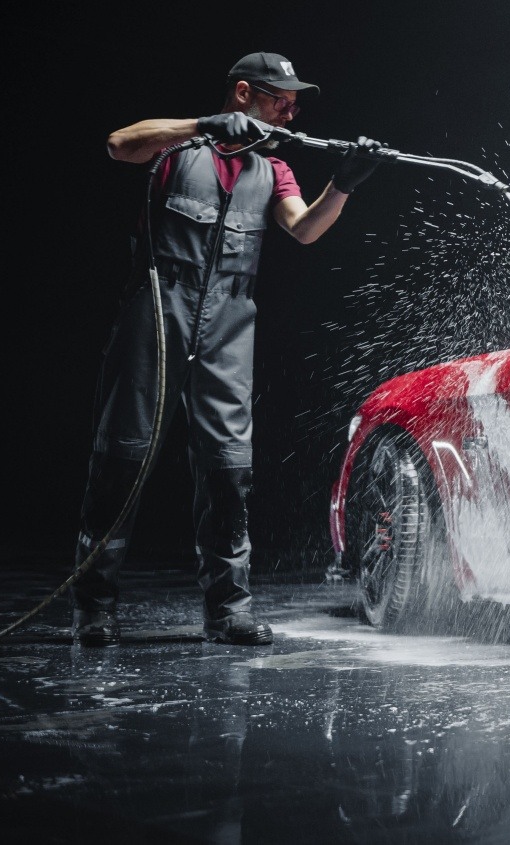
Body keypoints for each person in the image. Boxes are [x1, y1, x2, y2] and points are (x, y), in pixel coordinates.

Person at [74, 52, 384, 646]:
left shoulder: (273, 171)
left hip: (230, 322)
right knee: (124, 456)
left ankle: (228, 610)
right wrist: (201, 127)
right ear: (242, 93)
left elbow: (305, 228)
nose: (290, 114)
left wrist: (344, 183)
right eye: (279, 100)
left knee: (227, 467)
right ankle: (95, 607)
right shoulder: (179, 149)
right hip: (160, 308)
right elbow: (119, 143)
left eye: (295, 105)